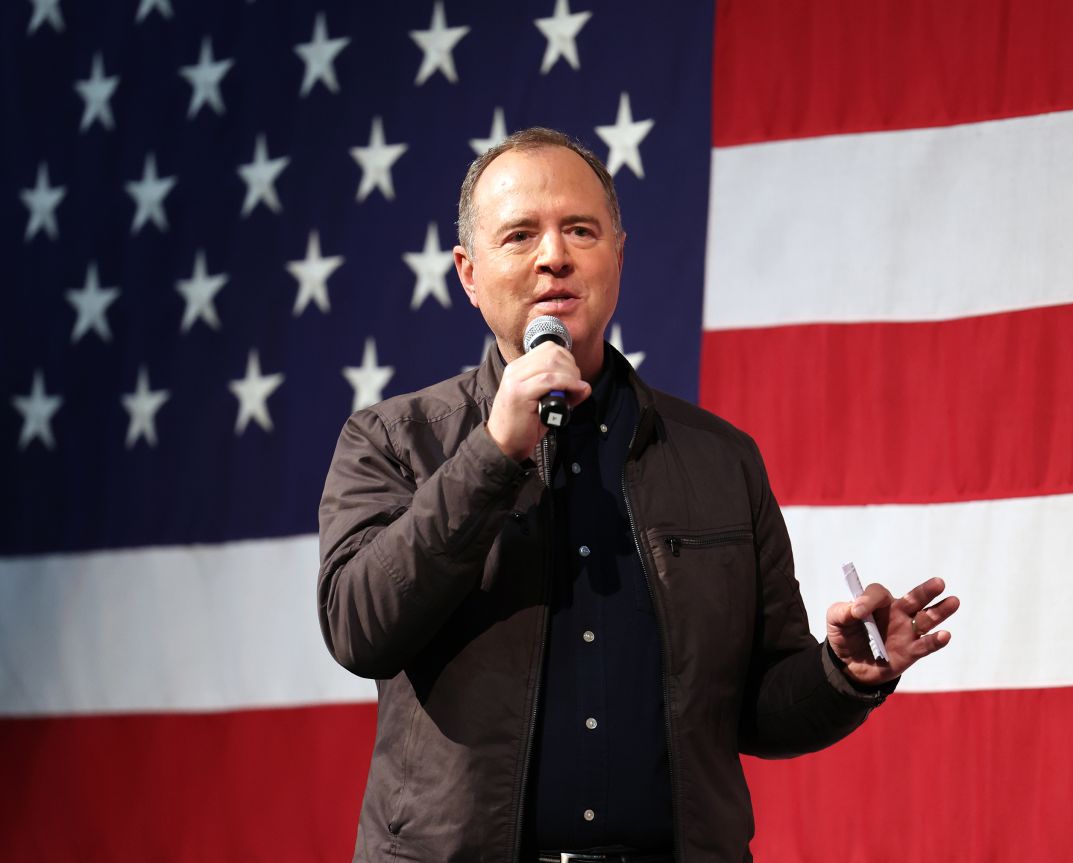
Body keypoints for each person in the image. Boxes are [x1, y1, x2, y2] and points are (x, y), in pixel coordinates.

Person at [318, 127, 958, 863]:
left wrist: (842, 673)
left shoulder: (720, 459)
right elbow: (360, 627)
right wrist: (492, 454)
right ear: (468, 272)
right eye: (520, 234)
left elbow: (755, 708)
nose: (553, 255)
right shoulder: (392, 441)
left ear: (618, 255)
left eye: (579, 230)